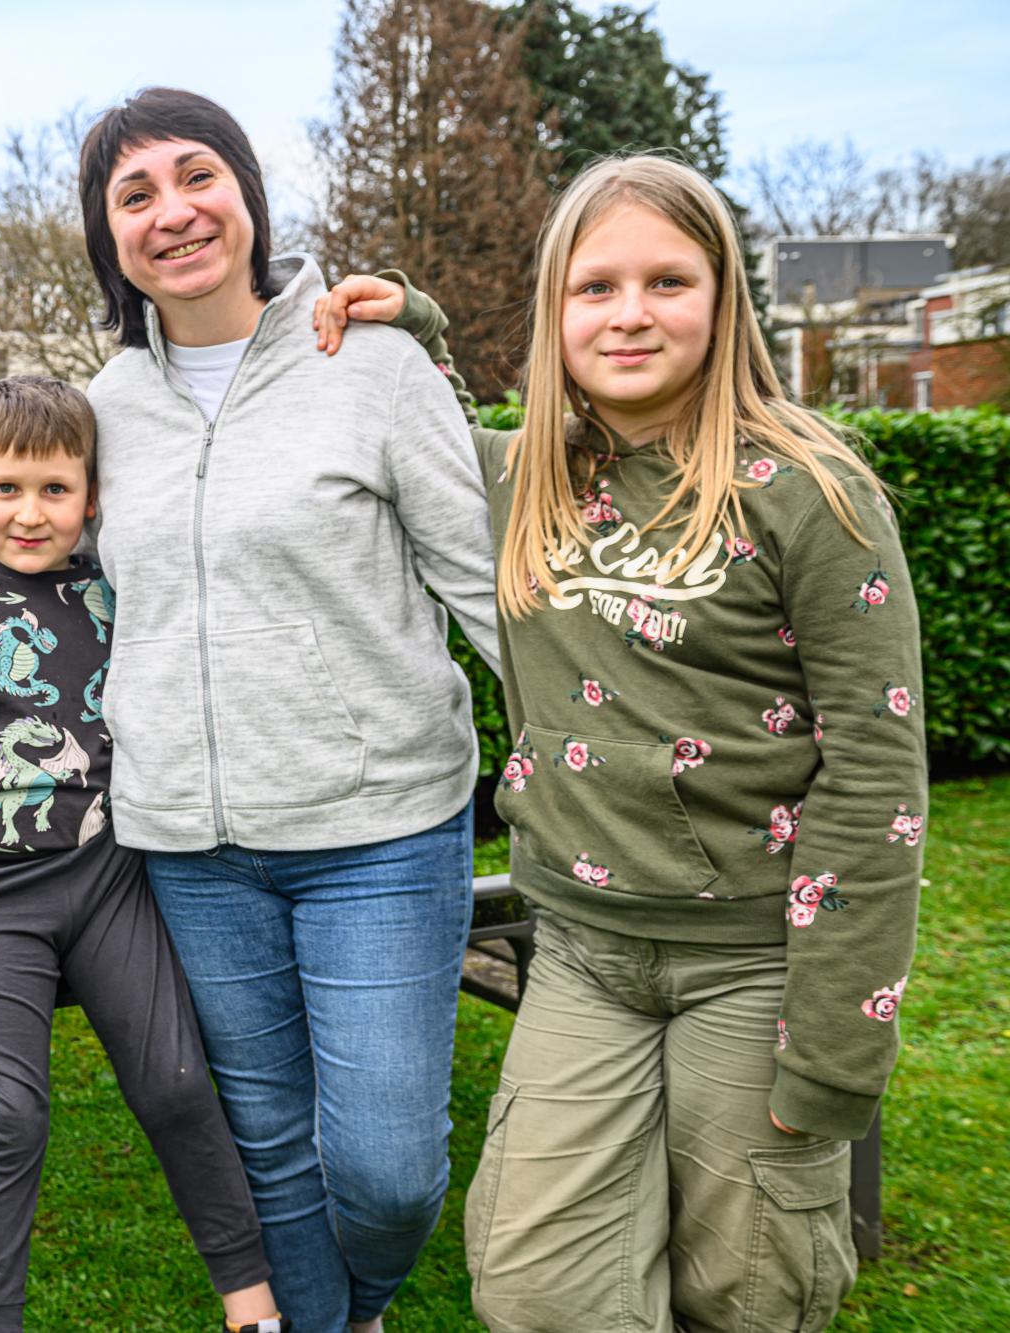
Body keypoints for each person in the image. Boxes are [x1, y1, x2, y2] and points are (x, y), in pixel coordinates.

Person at [0, 88, 500, 1333]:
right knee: (269, 1151)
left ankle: (359, 1292)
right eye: (133, 195)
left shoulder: (368, 364)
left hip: (374, 832)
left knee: (384, 1172)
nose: (172, 212)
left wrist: (581, 749)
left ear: (247, 194)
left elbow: (487, 585)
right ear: (109, 240)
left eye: (194, 175)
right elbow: (41, 559)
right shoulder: (104, 407)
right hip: (184, 847)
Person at [312, 153, 926, 1331]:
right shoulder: (524, 477)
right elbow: (423, 427)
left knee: (743, 1288)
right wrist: (417, 318)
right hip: (583, 954)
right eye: (593, 287)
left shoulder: (808, 493)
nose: (630, 313)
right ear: (553, 313)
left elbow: (875, 776)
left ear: (721, 296)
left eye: (666, 280)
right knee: (540, 1284)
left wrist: (835, 1047)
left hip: (754, 963)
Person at [0, 374, 283, 1333]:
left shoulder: (115, 586)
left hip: (105, 878)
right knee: (8, 1116)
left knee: (180, 1083)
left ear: (92, 496)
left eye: (56, 489)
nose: (30, 512)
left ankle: (253, 1302)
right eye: (7, 488)